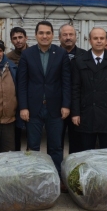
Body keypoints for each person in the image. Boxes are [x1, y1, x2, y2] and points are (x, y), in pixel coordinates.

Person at [18, 21, 71, 175]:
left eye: (48, 33)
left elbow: (66, 82)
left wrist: (66, 105)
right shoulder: (27, 54)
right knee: (33, 147)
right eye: (41, 33)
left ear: (53, 35)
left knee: (56, 147)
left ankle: (55, 177)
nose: (44, 36)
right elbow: (22, 83)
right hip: (33, 108)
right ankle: (33, 177)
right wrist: (23, 107)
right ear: (36, 35)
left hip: (55, 108)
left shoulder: (61, 54)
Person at [71, 28, 107, 151]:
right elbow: (75, 89)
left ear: (106, 40)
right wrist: (75, 113)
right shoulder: (79, 60)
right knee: (86, 152)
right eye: (95, 38)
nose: (99, 41)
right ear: (90, 41)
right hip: (86, 114)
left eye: (102, 38)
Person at [59, 23, 86, 154]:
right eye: (65, 35)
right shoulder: (53, 54)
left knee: (77, 144)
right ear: (59, 37)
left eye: (71, 34)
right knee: (56, 143)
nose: (68, 37)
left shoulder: (85, 56)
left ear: (76, 37)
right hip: (58, 105)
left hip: (79, 106)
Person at [6, 26, 28, 150]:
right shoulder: (8, 58)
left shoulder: (34, 53)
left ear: (26, 38)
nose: (18, 40)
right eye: (15, 38)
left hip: (31, 98)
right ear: (11, 40)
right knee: (16, 133)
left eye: (20, 37)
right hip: (15, 99)